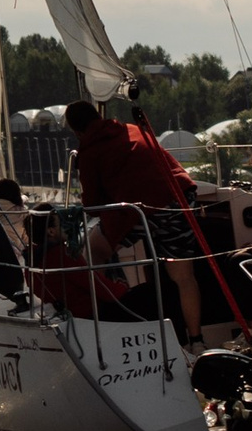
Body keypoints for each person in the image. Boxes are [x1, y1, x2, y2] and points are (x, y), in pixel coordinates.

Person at [65, 99, 205, 342]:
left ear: (77, 131)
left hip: (142, 208)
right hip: (179, 197)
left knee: (93, 252)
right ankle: (196, 341)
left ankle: (111, 325)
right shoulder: (134, 129)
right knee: (184, 276)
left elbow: (92, 206)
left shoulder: (89, 151)